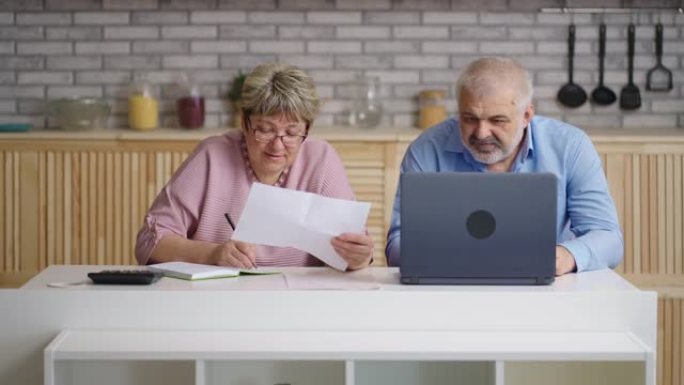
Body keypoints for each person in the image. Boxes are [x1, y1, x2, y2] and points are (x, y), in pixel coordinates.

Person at [386, 57, 623, 276]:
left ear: (527, 115)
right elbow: (398, 244)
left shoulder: (570, 146)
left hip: (546, 291)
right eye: (469, 118)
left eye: (497, 120)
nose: (481, 132)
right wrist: (455, 258)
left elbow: (608, 238)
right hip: (451, 286)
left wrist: (564, 256)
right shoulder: (427, 149)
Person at [135, 62, 374, 270]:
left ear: (307, 129)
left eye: (292, 132)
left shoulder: (321, 160)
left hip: (300, 306)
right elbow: (150, 242)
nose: (278, 146)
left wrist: (359, 258)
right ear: (244, 122)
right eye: (265, 130)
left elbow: (356, 250)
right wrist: (211, 254)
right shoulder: (212, 156)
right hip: (218, 302)